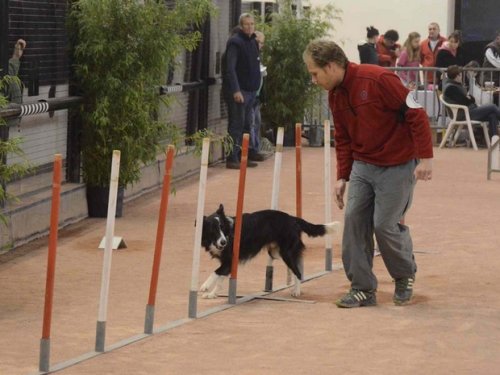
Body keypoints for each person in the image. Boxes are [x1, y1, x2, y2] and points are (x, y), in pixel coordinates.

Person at [303, 38, 433, 308]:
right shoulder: (335, 94)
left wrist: (426, 158)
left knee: (384, 224)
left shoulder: (378, 79)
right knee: (353, 221)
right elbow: (344, 136)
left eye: (315, 73)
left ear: (330, 66)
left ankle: (404, 274)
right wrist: (342, 176)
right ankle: (362, 288)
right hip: (364, 164)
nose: (313, 80)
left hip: (397, 163)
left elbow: (417, 114)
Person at [222, 13, 266, 169]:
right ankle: (231, 157)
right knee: (236, 125)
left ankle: (243, 156)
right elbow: (230, 69)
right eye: (247, 24)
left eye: (252, 24)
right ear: (241, 26)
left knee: (248, 125)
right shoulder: (235, 42)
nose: (250, 27)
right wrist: (236, 90)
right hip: (239, 92)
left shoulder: (253, 42)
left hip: (251, 92)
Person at [443, 65, 500, 141]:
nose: (462, 77)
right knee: (492, 107)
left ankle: (494, 140)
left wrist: (469, 98)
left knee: (492, 115)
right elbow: (466, 101)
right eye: (460, 75)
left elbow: (470, 98)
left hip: (468, 111)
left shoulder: (455, 86)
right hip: (464, 114)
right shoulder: (451, 88)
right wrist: (469, 98)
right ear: (457, 76)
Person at [249, 30, 267, 156]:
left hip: (257, 95)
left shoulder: (258, 56)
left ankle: (256, 148)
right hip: (251, 94)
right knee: (252, 122)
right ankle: (252, 149)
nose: (261, 45)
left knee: (257, 122)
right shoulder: (250, 54)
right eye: (260, 42)